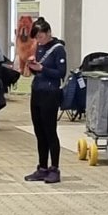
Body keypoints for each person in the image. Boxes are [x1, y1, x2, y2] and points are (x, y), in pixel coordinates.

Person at [24, 19, 67, 184]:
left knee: (50, 132)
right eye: (36, 38)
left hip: (50, 94)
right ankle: (42, 167)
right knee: (39, 132)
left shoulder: (58, 49)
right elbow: (39, 71)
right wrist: (32, 67)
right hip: (37, 92)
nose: (39, 40)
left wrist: (42, 68)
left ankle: (54, 168)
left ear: (48, 33)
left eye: (41, 37)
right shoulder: (39, 47)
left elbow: (60, 73)